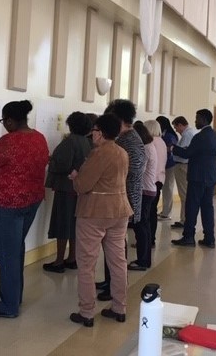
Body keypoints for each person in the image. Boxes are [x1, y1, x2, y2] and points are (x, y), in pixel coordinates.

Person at [0, 100, 49, 318]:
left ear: (10, 120)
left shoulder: (7, 143)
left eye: (4, 121)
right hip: (31, 201)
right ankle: (14, 297)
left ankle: (9, 305)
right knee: (16, 248)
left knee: (6, 253)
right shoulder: (39, 138)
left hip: (6, 205)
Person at [68, 113, 133, 327]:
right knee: (118, 261)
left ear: (101, 133)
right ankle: (119, 307)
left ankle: (87, 312)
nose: (92, 135)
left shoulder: (99, 154)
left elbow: (83, 185)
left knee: (86, 263)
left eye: (94, 131)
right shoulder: (122, 152)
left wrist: (76, 178)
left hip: (94, 213)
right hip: (120, 211)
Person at [95, 99, 145, 301]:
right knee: (112, 246)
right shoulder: (123, 138)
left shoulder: (130, 140)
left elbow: (132, 170)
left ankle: (115, 287)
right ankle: (110, 282)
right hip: (117, 197)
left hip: (124, 198)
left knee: (117, 249)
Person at [42, 112, 93, 273]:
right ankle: (72, 258)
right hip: (80, 190)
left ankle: (58, 261)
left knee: (62, 224)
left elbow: (63, 165)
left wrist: (51, 160)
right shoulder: (87, 142)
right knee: (74, 225)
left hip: (66, 189)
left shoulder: (70, 141)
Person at [171, 109, 216, 248]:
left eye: (197, 118)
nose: (195, 121)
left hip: (198, 177)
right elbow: (209, 152)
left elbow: (187, 154)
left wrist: (173, 148)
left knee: (191, 207)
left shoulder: (200, 136)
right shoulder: (214, 135)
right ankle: (209, 238)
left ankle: (188, 237)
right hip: (211, 176)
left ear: (204, 119)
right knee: (207, 208)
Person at [128, 122, 158, 271]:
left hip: (144, 191)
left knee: (140, 225)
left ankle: (142, 260)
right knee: (144, 225)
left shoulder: (145, 149)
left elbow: (139, 169)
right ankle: (144, 260)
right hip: (149, 189)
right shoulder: (150, 146)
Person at [143, 120, 167, 248]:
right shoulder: (162, 142)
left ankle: (147, 240)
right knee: (152, 211)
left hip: (150, 180)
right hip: (159, 179)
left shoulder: (150, 142)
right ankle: (151, 239)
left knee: (147, 213)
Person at [170, 116, 197, 229]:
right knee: (184, 194)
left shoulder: (187, 134)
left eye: (176, 127)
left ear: (181, 125)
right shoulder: (190, 133)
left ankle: (184, 220)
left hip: (182, 166)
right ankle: (184, 219)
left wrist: (172, 148)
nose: (176, 130)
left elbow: (184, 152)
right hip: (183, 166)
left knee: (184, 194)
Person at [156, 116, 178, 221]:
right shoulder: (164, 134)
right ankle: (164, 210)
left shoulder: (169, 135)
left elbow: (171, 149)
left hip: (170, 165)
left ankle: (167, 212)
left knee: (168, 188)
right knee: (165, 188)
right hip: (164, 165)